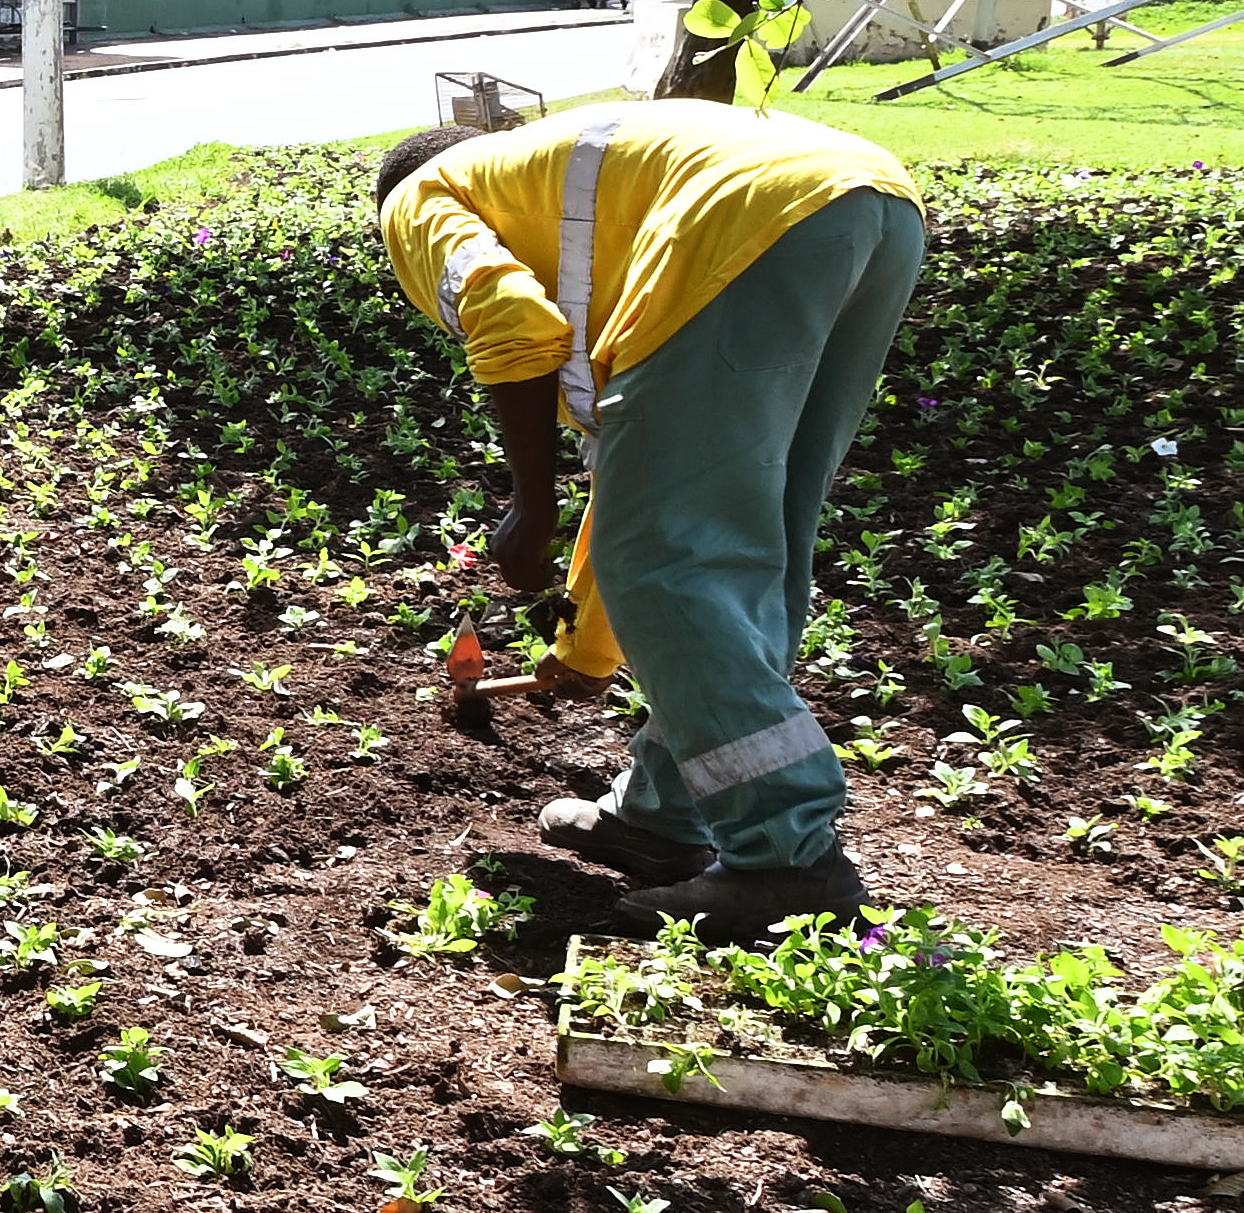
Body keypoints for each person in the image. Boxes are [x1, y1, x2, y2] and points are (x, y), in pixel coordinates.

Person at [373, 98, 927, 940]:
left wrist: (531, 503)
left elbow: (514, 325)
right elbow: (637, 496)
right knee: (750, 536)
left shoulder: (418, 196)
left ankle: (785, 856)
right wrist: (584, 653)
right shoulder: (571, 189)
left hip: (750, 218)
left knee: (677, 564)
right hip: (874, 204)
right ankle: (664, 814)